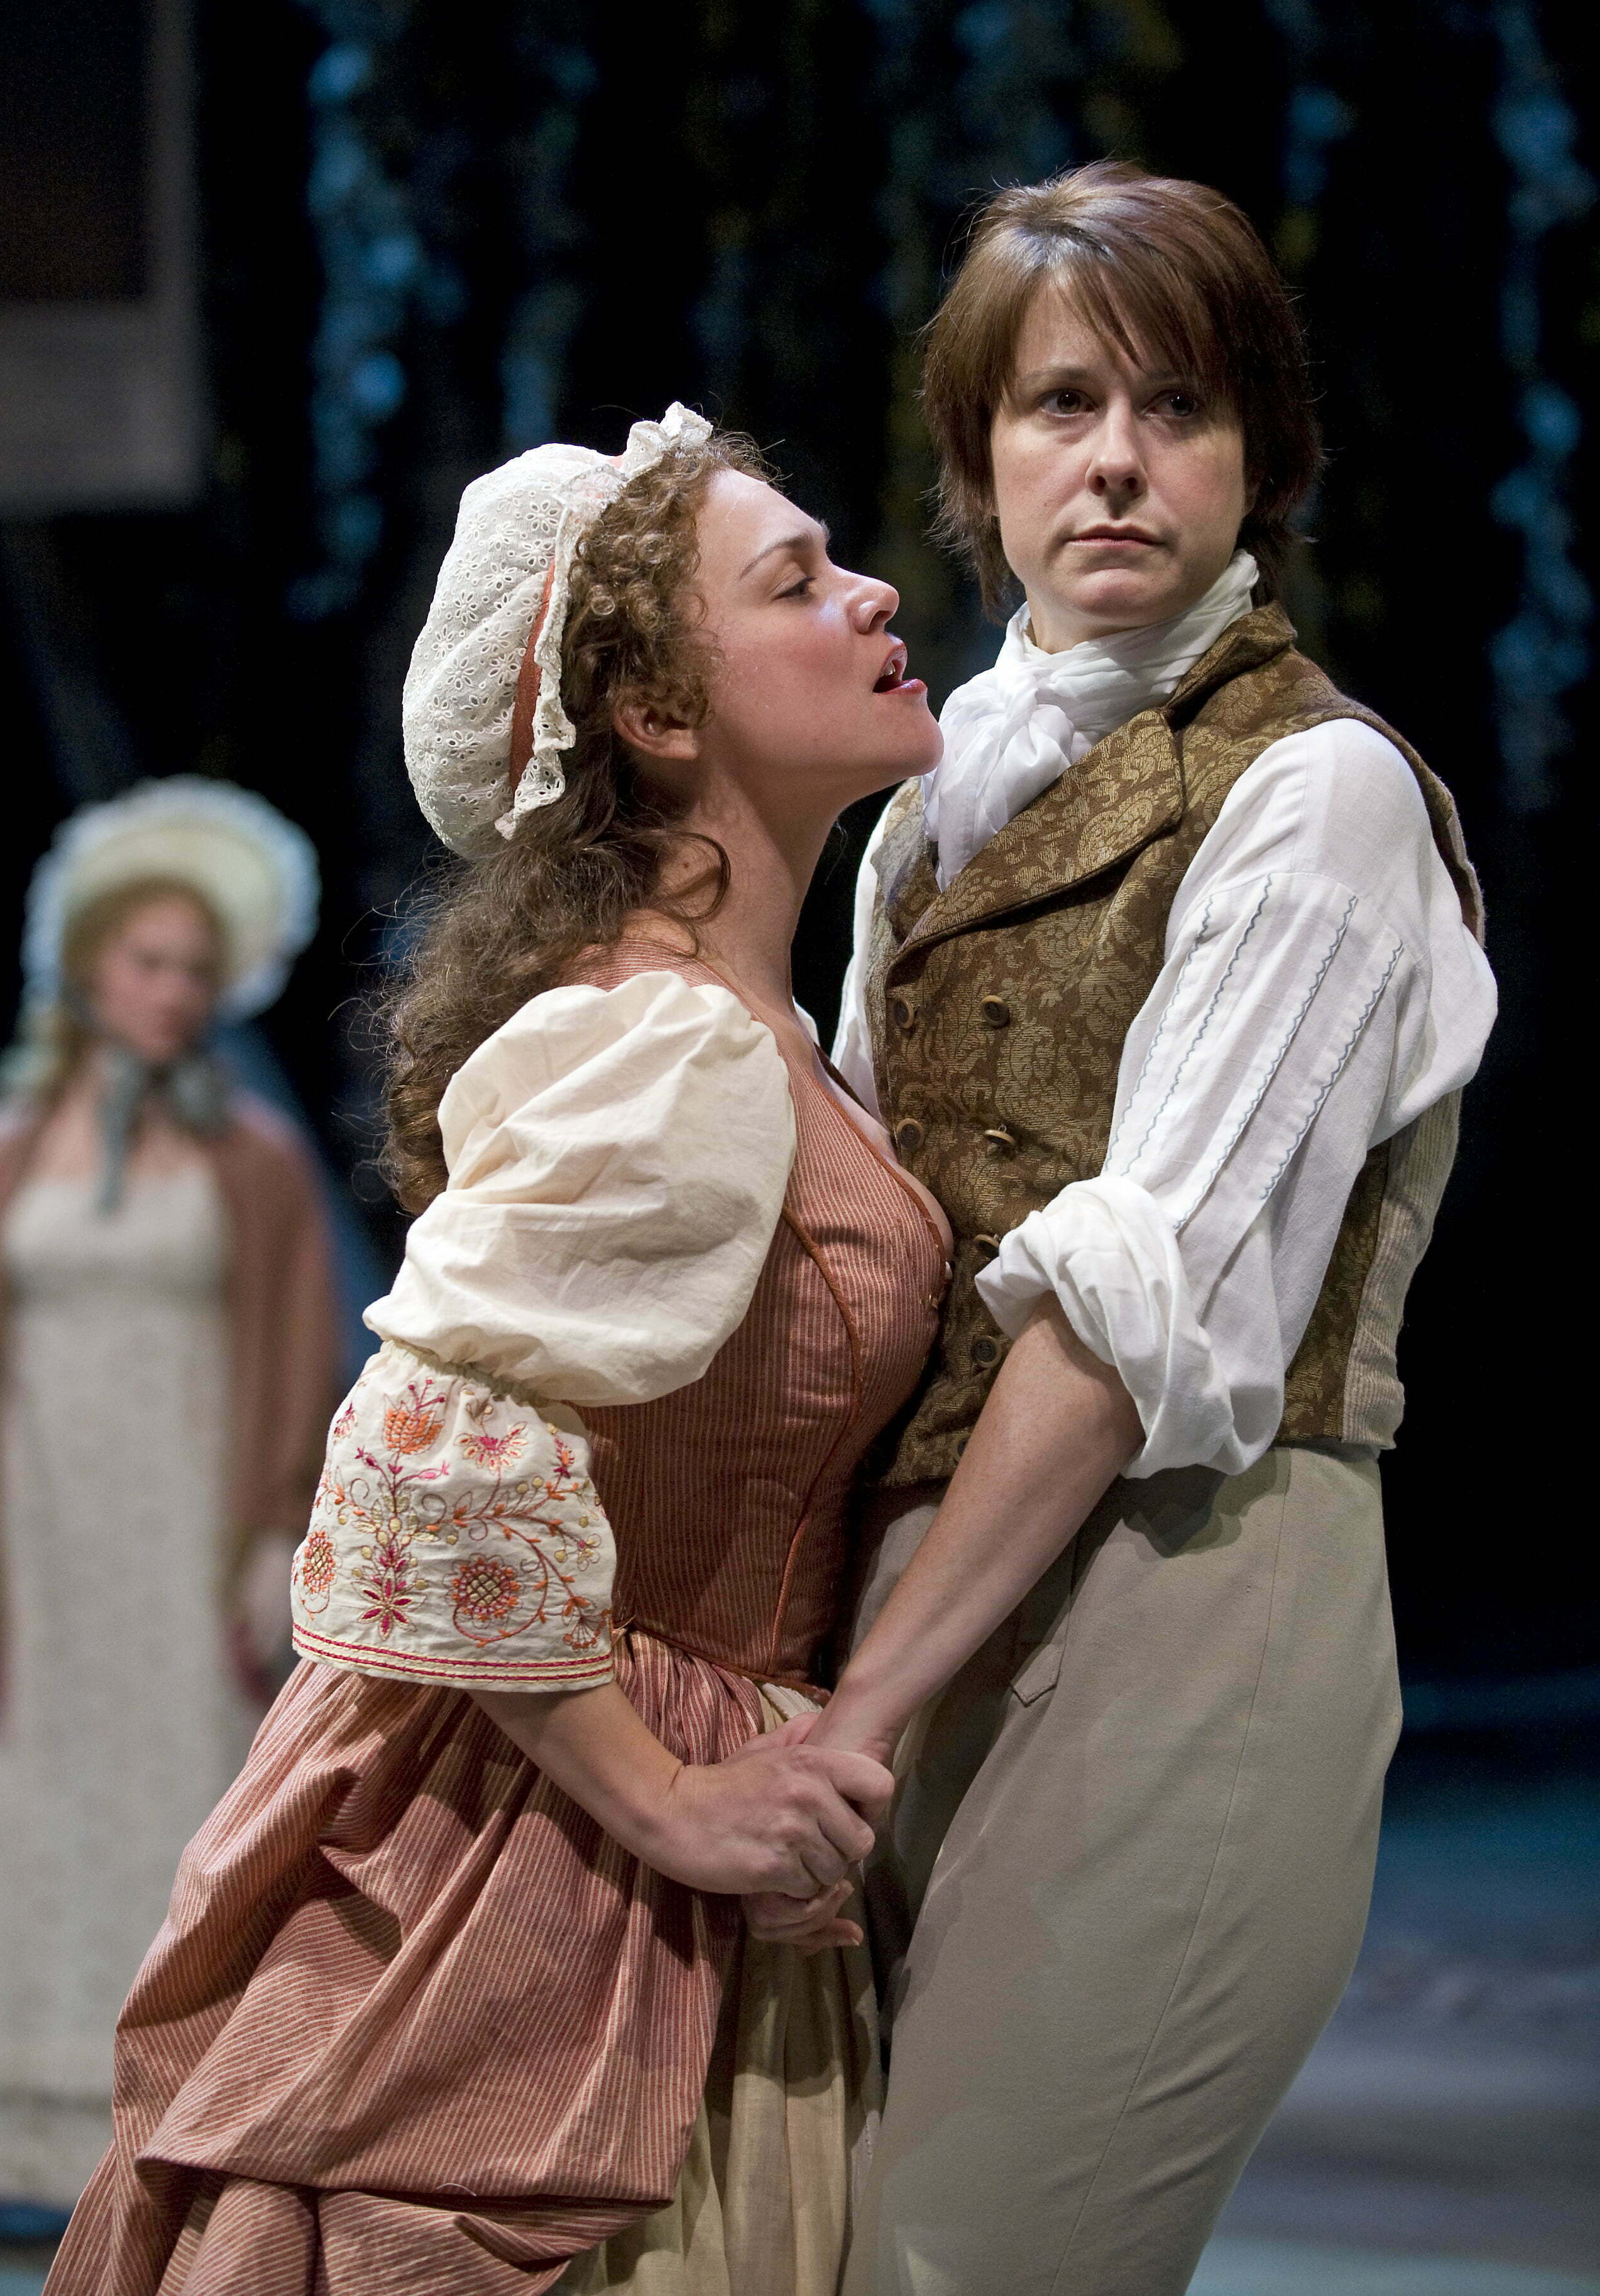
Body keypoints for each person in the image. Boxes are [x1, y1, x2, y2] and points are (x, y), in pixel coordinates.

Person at [41, 404, 954, 2296]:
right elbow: (425, 1446)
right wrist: (665, 1791)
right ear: (657, 712)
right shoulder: (670, 1042)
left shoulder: (753, 1033)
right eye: (794, 579)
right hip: (558, 1846)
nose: (874, 592)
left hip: (658, 1800)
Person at [751, 164, 1498, 2294]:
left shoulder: (1311, 793)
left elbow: (1119, 1320)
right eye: (1058, 404)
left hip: (1188, 1591)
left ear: (1258, 453)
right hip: (916, 1605)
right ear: (976, 457)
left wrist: (850, 1715)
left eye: (1176, 407)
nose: (1112, 460)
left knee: (966, 2263)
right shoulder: (919, 814)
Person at [0, 778, 340, 2207]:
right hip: (37, 1543)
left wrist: (270, 1536)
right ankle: (13, 2128)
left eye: (197, 969)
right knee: (23, 1809)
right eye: (148, 962)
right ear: (86, 965)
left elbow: (298, 1354)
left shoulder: (252, 1164)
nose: (172, 992)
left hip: (184, 1541)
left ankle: (178, 2129)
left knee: (183, 1806)